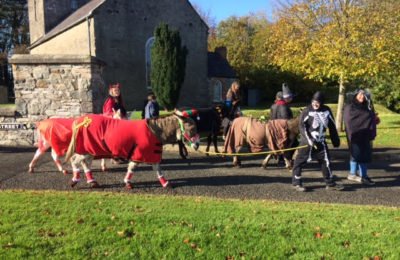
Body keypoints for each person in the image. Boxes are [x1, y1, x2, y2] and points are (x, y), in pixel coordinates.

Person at [292, 91, 343, 191]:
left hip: (321, 142)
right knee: (299, 162)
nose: (315, 104)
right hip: (308, 143)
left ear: (322, 102)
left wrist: (335, 140)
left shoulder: (326, 110)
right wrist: (309, 140)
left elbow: (332, 126)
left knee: (326, 161)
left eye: (318, 102)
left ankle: (330, 183)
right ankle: (296, 182)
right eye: (314, 101)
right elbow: (302, 127)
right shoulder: (307, 111)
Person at [343, 89, 380, 186]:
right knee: (357, 154)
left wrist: (374, 119)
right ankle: (361, 176)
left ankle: (356, 174)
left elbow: (368, 117)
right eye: (360, 95)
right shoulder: (350, 107)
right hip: (354, 134)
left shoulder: (367, 106)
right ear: (355, 95)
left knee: (362, 154)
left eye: (364, 95)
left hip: (365, 135)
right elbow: (349, 120)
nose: (362, 97)